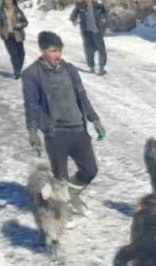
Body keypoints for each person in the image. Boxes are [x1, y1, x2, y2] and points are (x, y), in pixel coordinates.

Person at [22, 31, 106, 203]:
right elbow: (31, 105)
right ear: (42, 51)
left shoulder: (70, 70)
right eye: (53, 51)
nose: (58, 55)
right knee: (60, 178)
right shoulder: (31, 74)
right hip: (56, 133)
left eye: (59, 50)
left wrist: (94, 119)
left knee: (90, 171)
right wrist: (33, 131)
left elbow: (82, 96)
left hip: (78, 129)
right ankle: (61, 209)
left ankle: (69, 195)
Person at [69, 0, 109, 75]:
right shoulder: (79, 6)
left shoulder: (98, 6)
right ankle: (91, 67)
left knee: (100, 48)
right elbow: (72, 16)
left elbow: (105, 13)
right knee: (88, 49)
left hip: (96, 30)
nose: (87, 0)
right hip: (86, 31)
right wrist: (74, 20)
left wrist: (104, 20)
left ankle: (101, 67)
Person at [0, 0, 29, 79]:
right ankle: (17, 72)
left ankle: (18, 69)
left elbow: (25, 22)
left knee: (21, 54)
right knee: (14, 54)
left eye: (9, 0)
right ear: (3, 1)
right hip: (7, 35)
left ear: (12, 0)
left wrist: (19, 25)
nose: (7, 2)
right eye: (6, 0)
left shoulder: (17, 11)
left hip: (18, 35)